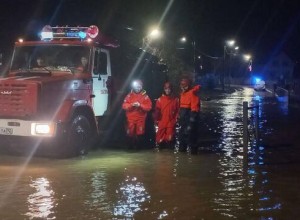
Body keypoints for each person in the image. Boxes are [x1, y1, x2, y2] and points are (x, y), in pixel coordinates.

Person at [122, 79, 152, 149]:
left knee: (140, 133)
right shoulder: (129, 96)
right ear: (133, 87)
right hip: (131, 119)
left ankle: (139, 148)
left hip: (140, 119)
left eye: (139, 86)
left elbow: (149, 107)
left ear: (141, 87)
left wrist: (140, 105)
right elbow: (124, 105)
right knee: (130, 133)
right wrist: (132, 105)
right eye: (136, 86)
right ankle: (130, 147)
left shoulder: (145, 96)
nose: (138, 88)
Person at [178, 78, 201, 154]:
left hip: (190, 122)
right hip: (184, 122)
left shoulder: (192, 93)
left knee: (192, 141)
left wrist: (191, 124)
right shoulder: (182, 94)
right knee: (182, 141)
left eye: (184, 86)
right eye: (182, 86)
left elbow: (194, 110)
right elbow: (181, 108)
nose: (183, 87)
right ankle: (181, 160)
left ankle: (194, 158)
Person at [153, 82, 179, 149]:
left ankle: (170, 157)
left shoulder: (175, 100)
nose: (167, 90)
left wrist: (175, 120)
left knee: (170, 139)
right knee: (159, 140)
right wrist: (156, 119)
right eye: (166, 89)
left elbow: (177, 111)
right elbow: (156, 112)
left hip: (170, 122)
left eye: (169, 89)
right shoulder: (159, 100)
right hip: (162, 122)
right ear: (164, 89)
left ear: (171, 89)